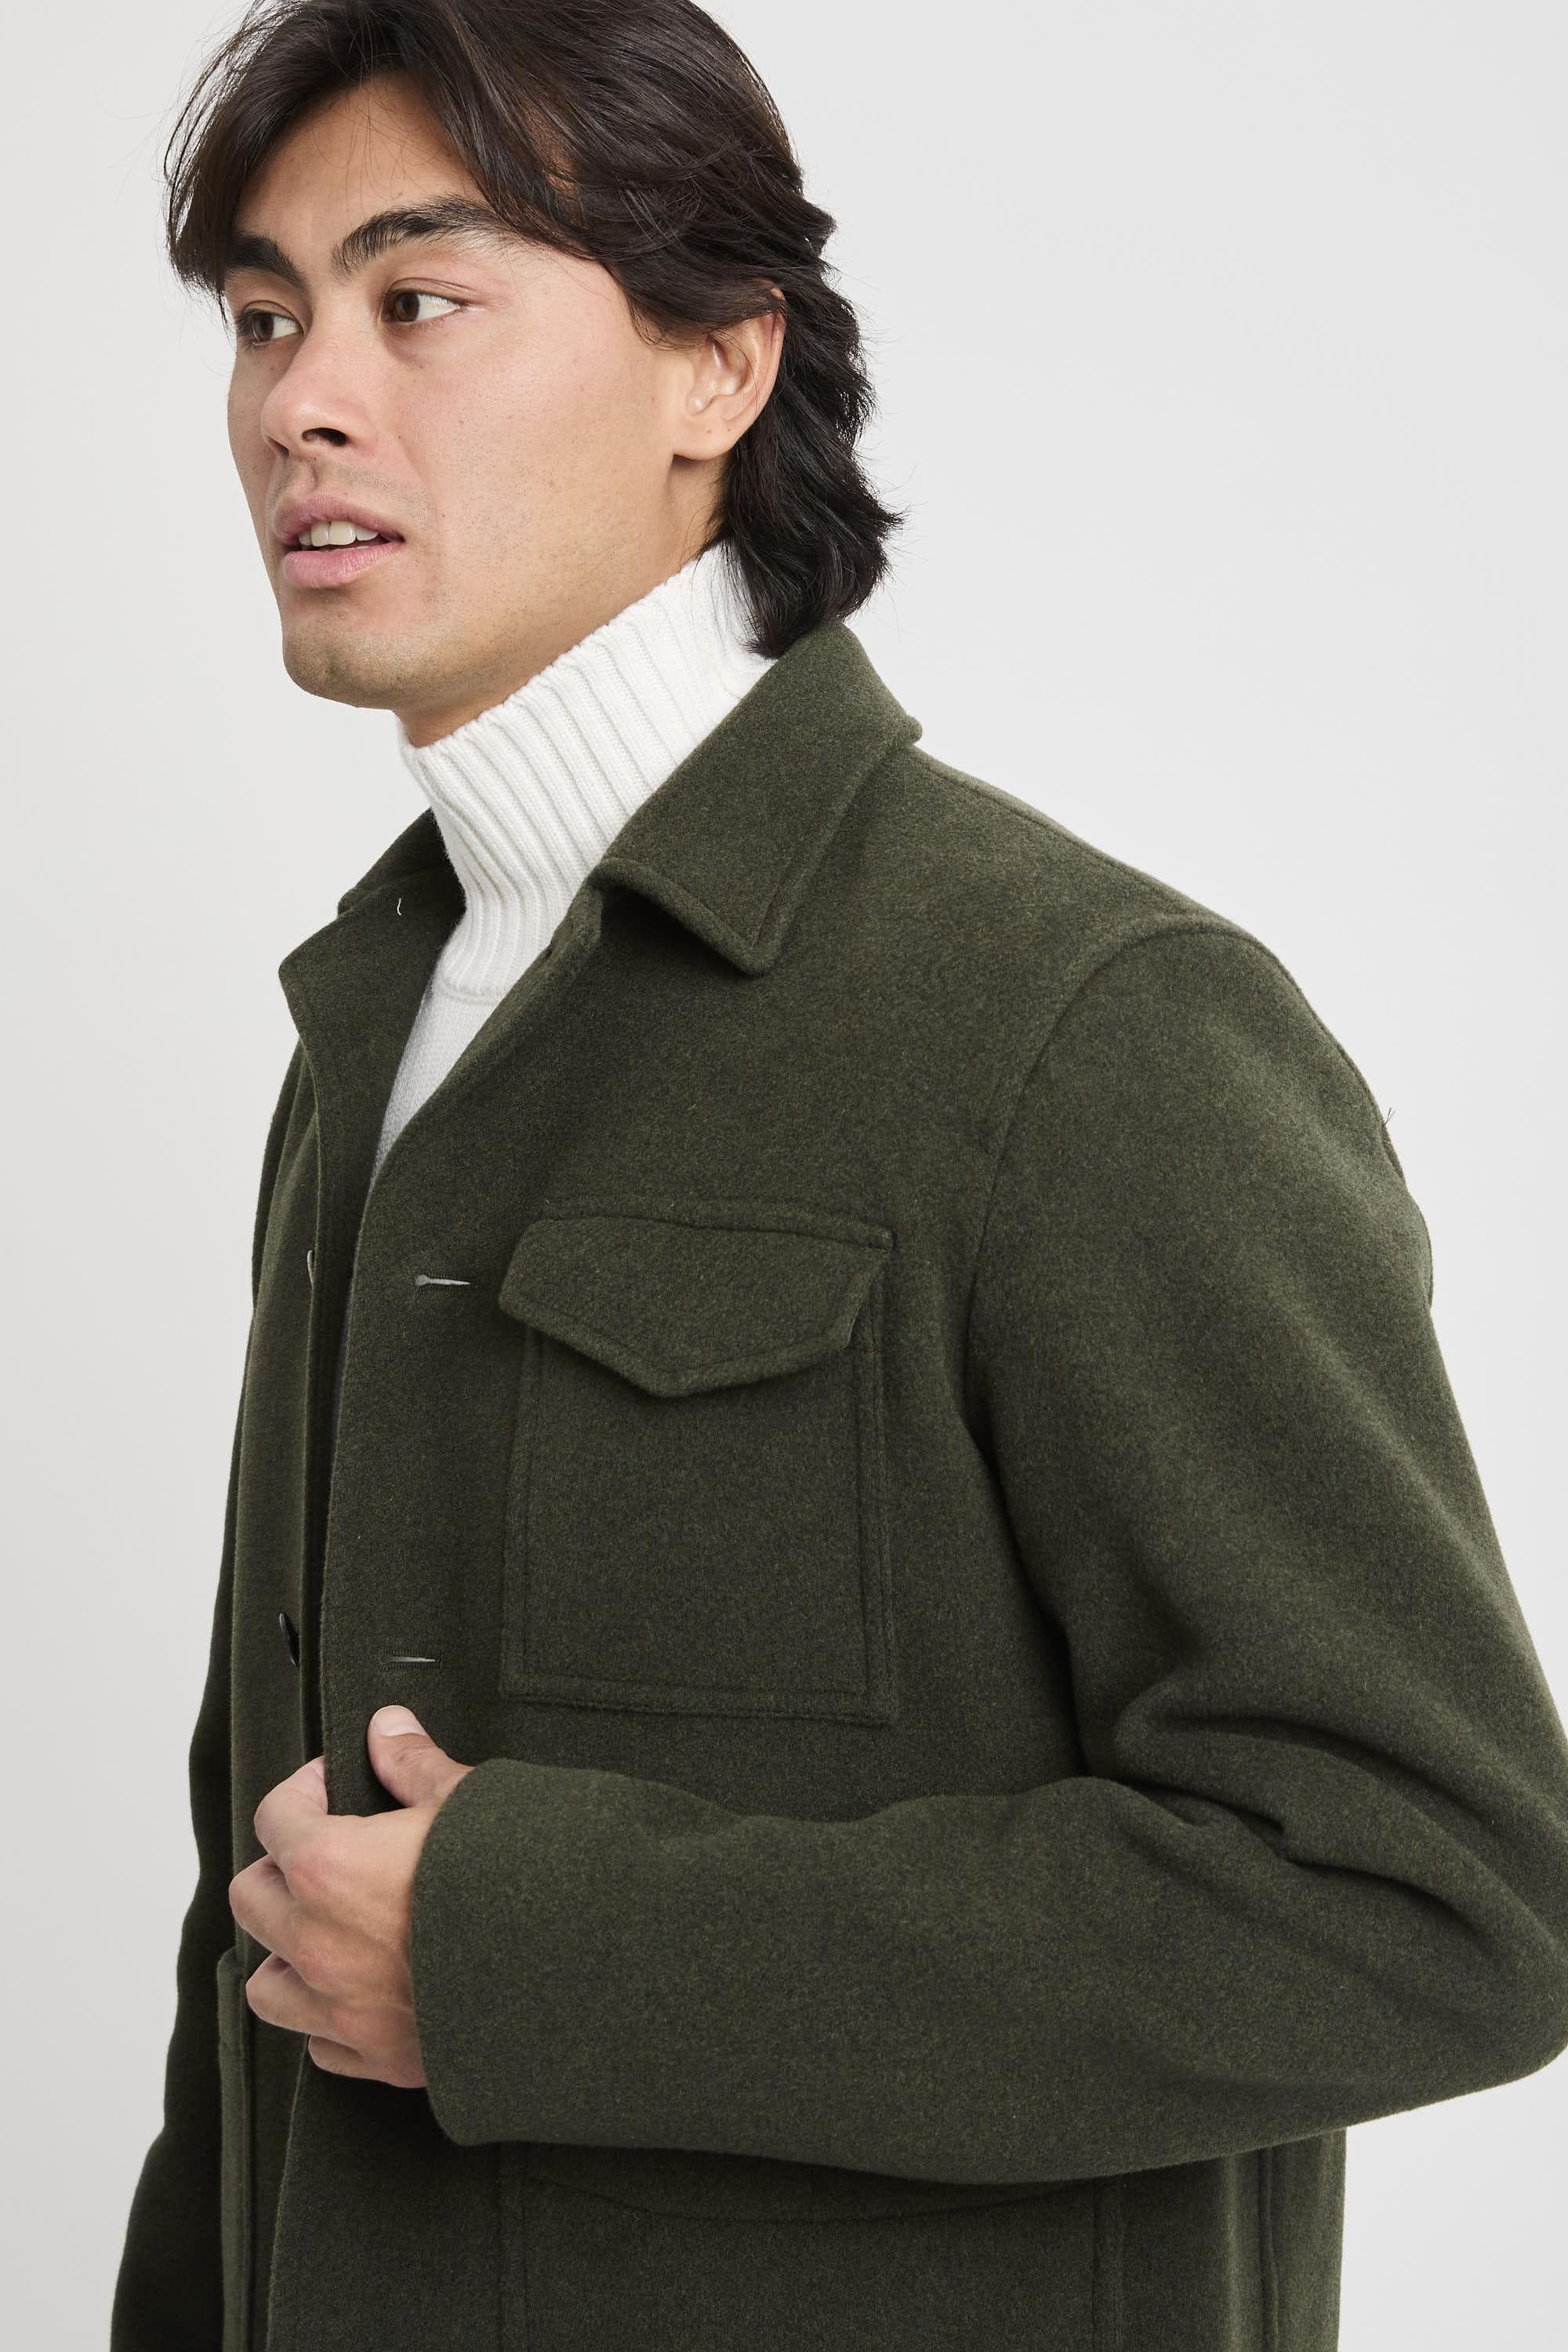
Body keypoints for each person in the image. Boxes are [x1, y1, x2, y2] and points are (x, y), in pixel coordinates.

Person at [112, 5, 1568, 2349]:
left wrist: (537, 1955)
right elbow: (257, 1924)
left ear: (721, 362)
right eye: (265, 317)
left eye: (420, 297)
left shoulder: (1089, 1026)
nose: (302, 401)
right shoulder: (377, 1030)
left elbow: (1431, 1903)